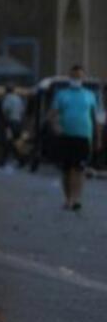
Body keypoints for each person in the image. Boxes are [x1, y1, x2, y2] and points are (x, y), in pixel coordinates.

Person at [49, 65, 101, 212]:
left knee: (79, 169)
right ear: (69, 77)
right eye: (73, 76)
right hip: (66, 136)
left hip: (84, 136)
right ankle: (68, 198)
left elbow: (95, 118)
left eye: (78, 76)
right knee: (67, 169)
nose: (76, 79)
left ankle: (76, 199)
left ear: (83, 78)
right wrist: (56, 127)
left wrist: (97, 138)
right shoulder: (61, 94)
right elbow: (52, 115)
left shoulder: (90, 95)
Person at [0, 84, 26, 167]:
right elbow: (22, 111)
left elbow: (6, 110)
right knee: (16, 142)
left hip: (10, 122)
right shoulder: (18, 98)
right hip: (18, 122)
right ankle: (20, 159)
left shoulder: (7, 98)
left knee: (7, 142)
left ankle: (3, 161)